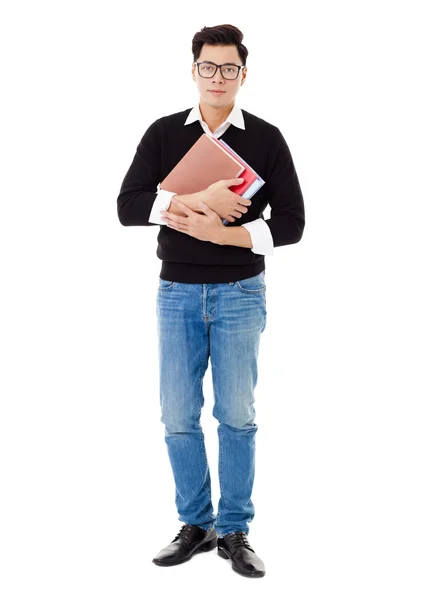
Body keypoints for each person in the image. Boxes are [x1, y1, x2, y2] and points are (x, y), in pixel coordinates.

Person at [117, 23, 305, 578]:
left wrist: (224, 234)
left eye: (229, 68)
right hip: (175, 292)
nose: (217, 77)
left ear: (243, 75)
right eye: (208, 66)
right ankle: (196, 524)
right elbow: (128, 205)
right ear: (193, 70)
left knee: (237, 415)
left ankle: (235, 530)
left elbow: (292, 224)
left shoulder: (267, 138)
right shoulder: (162, 133)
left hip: (240, 293)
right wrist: (195, 200)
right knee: (177, 414)